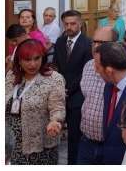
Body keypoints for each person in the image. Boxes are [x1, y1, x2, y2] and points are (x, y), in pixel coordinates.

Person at [77, 27, 126, 165]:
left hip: (116, 147)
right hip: (87, 143)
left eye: (101, 43)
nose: (96, 47)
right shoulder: (88, 66)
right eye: (94, 42)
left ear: (116, 45)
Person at [5, 40, 65, 165]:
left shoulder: (53, 78)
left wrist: (55, 121)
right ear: (19, 60)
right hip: (13, 146)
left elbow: (57, 106)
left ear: (43, 57)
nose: (32, 64)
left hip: (40, 148)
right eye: (27, 59)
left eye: (36, 58)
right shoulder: (11, 76)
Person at [53, 10, 93, 165]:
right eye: (66, 24)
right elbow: (56, 66)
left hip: (78, 97)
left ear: (80, 23)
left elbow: (86, 71)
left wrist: (68, 89)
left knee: (75, 137)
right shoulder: (60, 42)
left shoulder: (88, 43)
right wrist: (59, 88)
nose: (69, 27)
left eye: (73, 23)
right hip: (60, 96)